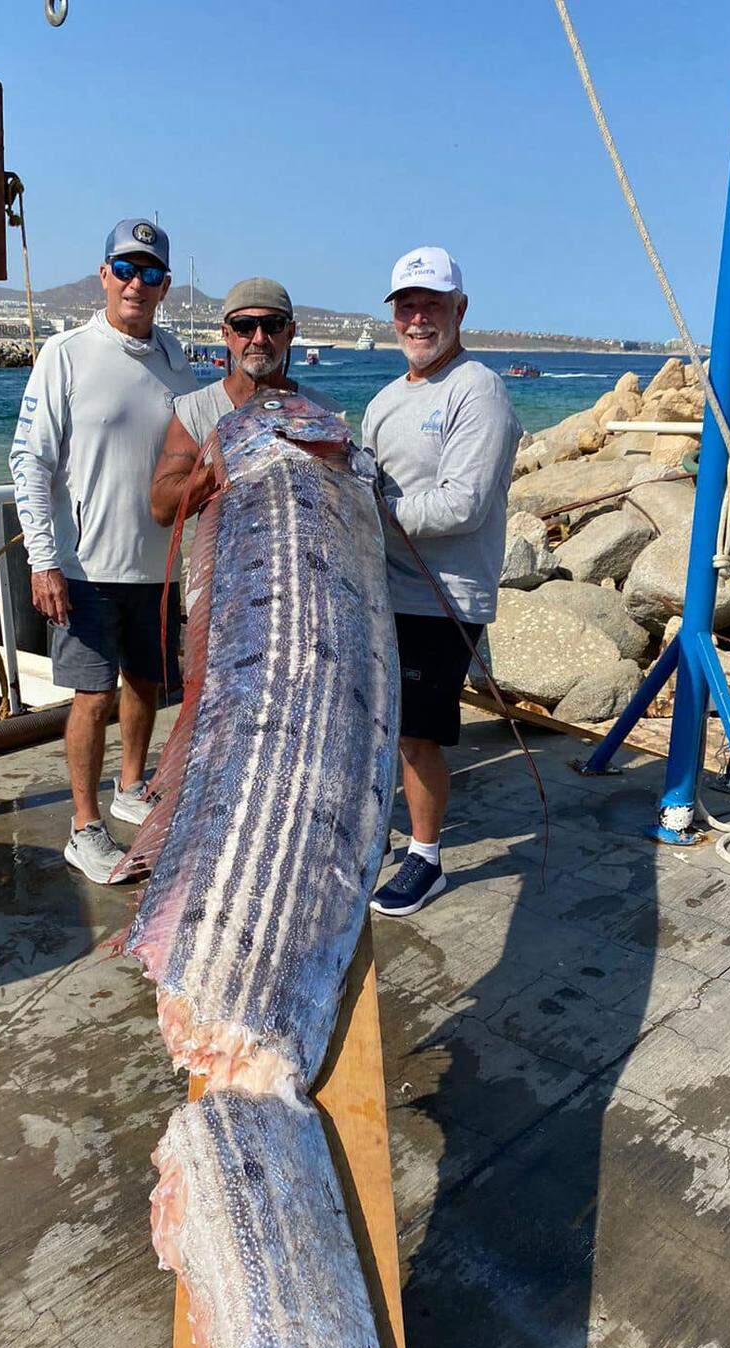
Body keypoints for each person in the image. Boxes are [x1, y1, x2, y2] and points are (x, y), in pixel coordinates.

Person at [9, 218, 198, 883]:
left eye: (150, 274)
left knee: (145, 685)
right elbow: (29, 460)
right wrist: (43, 557)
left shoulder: (178, 362)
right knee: (91, 698)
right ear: (103, 275)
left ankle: (130, 785)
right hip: (84, 568)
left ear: (165, 287)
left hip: (157, 569)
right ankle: (84, 826)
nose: (135, 284)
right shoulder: (65, 354)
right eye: (125, 269)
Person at [363, 246, 522, 917]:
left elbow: (464, 504)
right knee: (378, 726)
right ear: (394, 315)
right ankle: (373, 839)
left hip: (442, 599)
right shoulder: (384, 400)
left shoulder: (477, 389)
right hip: (379, 592)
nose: (419, 318)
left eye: (432, 304)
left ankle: (425, 859)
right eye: (408, 306)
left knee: (417, 733)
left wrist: (368, 515)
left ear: (460, 309)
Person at [150, 278, 340, 524]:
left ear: (290, 333)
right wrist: (220, 468)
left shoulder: (326, 414)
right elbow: (162, 509)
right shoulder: (195, 411)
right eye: (244, 326)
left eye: (273, 325)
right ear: (226, 334)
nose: (259, 338)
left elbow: (347, 507)